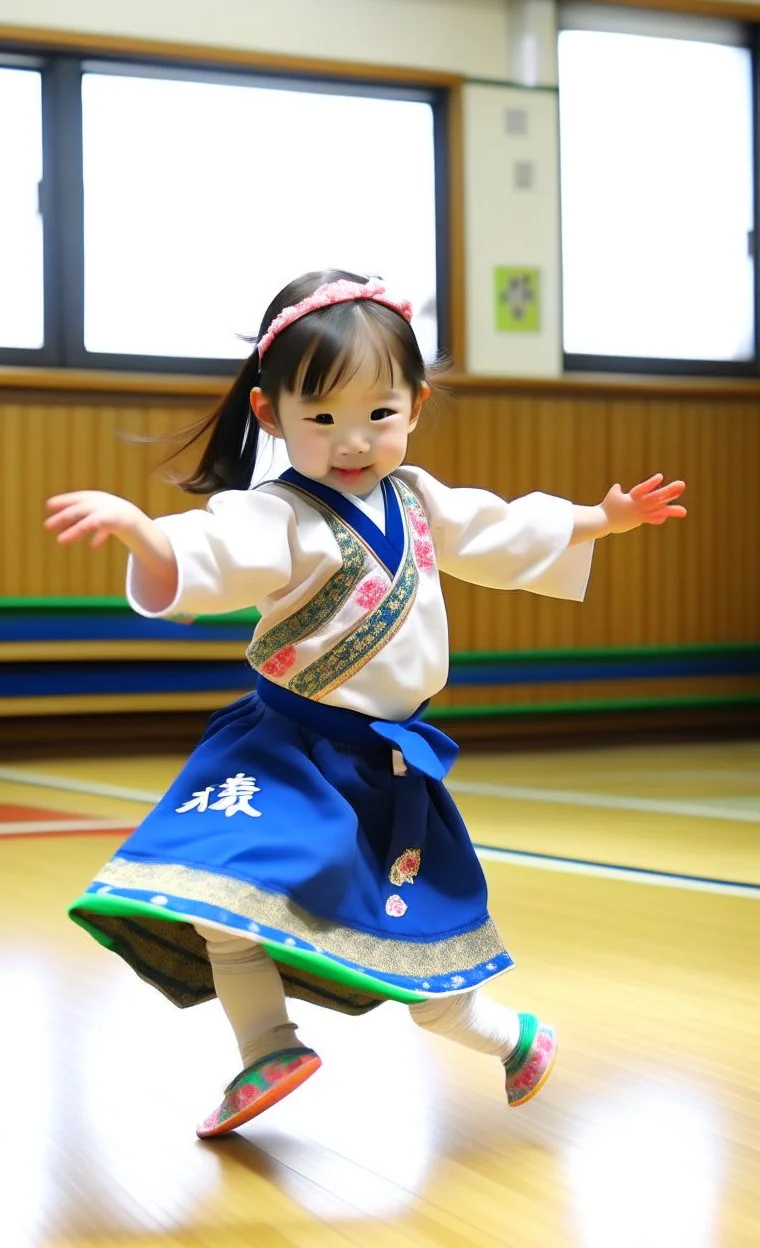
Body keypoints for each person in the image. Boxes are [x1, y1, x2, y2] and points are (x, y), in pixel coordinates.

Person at [45, 269, 686, 1138]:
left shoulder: (420, 500)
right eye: (322, 418)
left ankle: (516, 1038)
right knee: (214, 899)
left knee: (424, 973)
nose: (354, 441)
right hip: (286, 751)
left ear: (415, 406)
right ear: (271, 416)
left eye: (379, 415)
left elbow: (500, 530)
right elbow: (213, 552)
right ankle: (267, 1046)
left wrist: (598, 521)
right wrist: (144, 534)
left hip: (388, 771)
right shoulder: (279, 514)